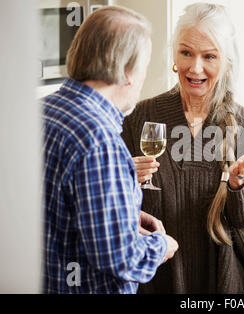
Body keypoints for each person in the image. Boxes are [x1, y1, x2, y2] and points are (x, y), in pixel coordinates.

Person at [121, 3, 244, 293]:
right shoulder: (139, 116)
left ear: (227, 62)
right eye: (186, 52)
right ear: (174, 55)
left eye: (209, 56)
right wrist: (127, 180)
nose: (195, 67)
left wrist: (240, 185)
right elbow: (115, 213)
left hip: (223, 281)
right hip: (155, 279)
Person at [42, 6, 178, 294]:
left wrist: (124, 214)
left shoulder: (42, 112)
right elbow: (122, 258)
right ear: (128, 72)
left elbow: (57, 209)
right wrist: (162, 245)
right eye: (144, 67)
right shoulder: (99, 140)